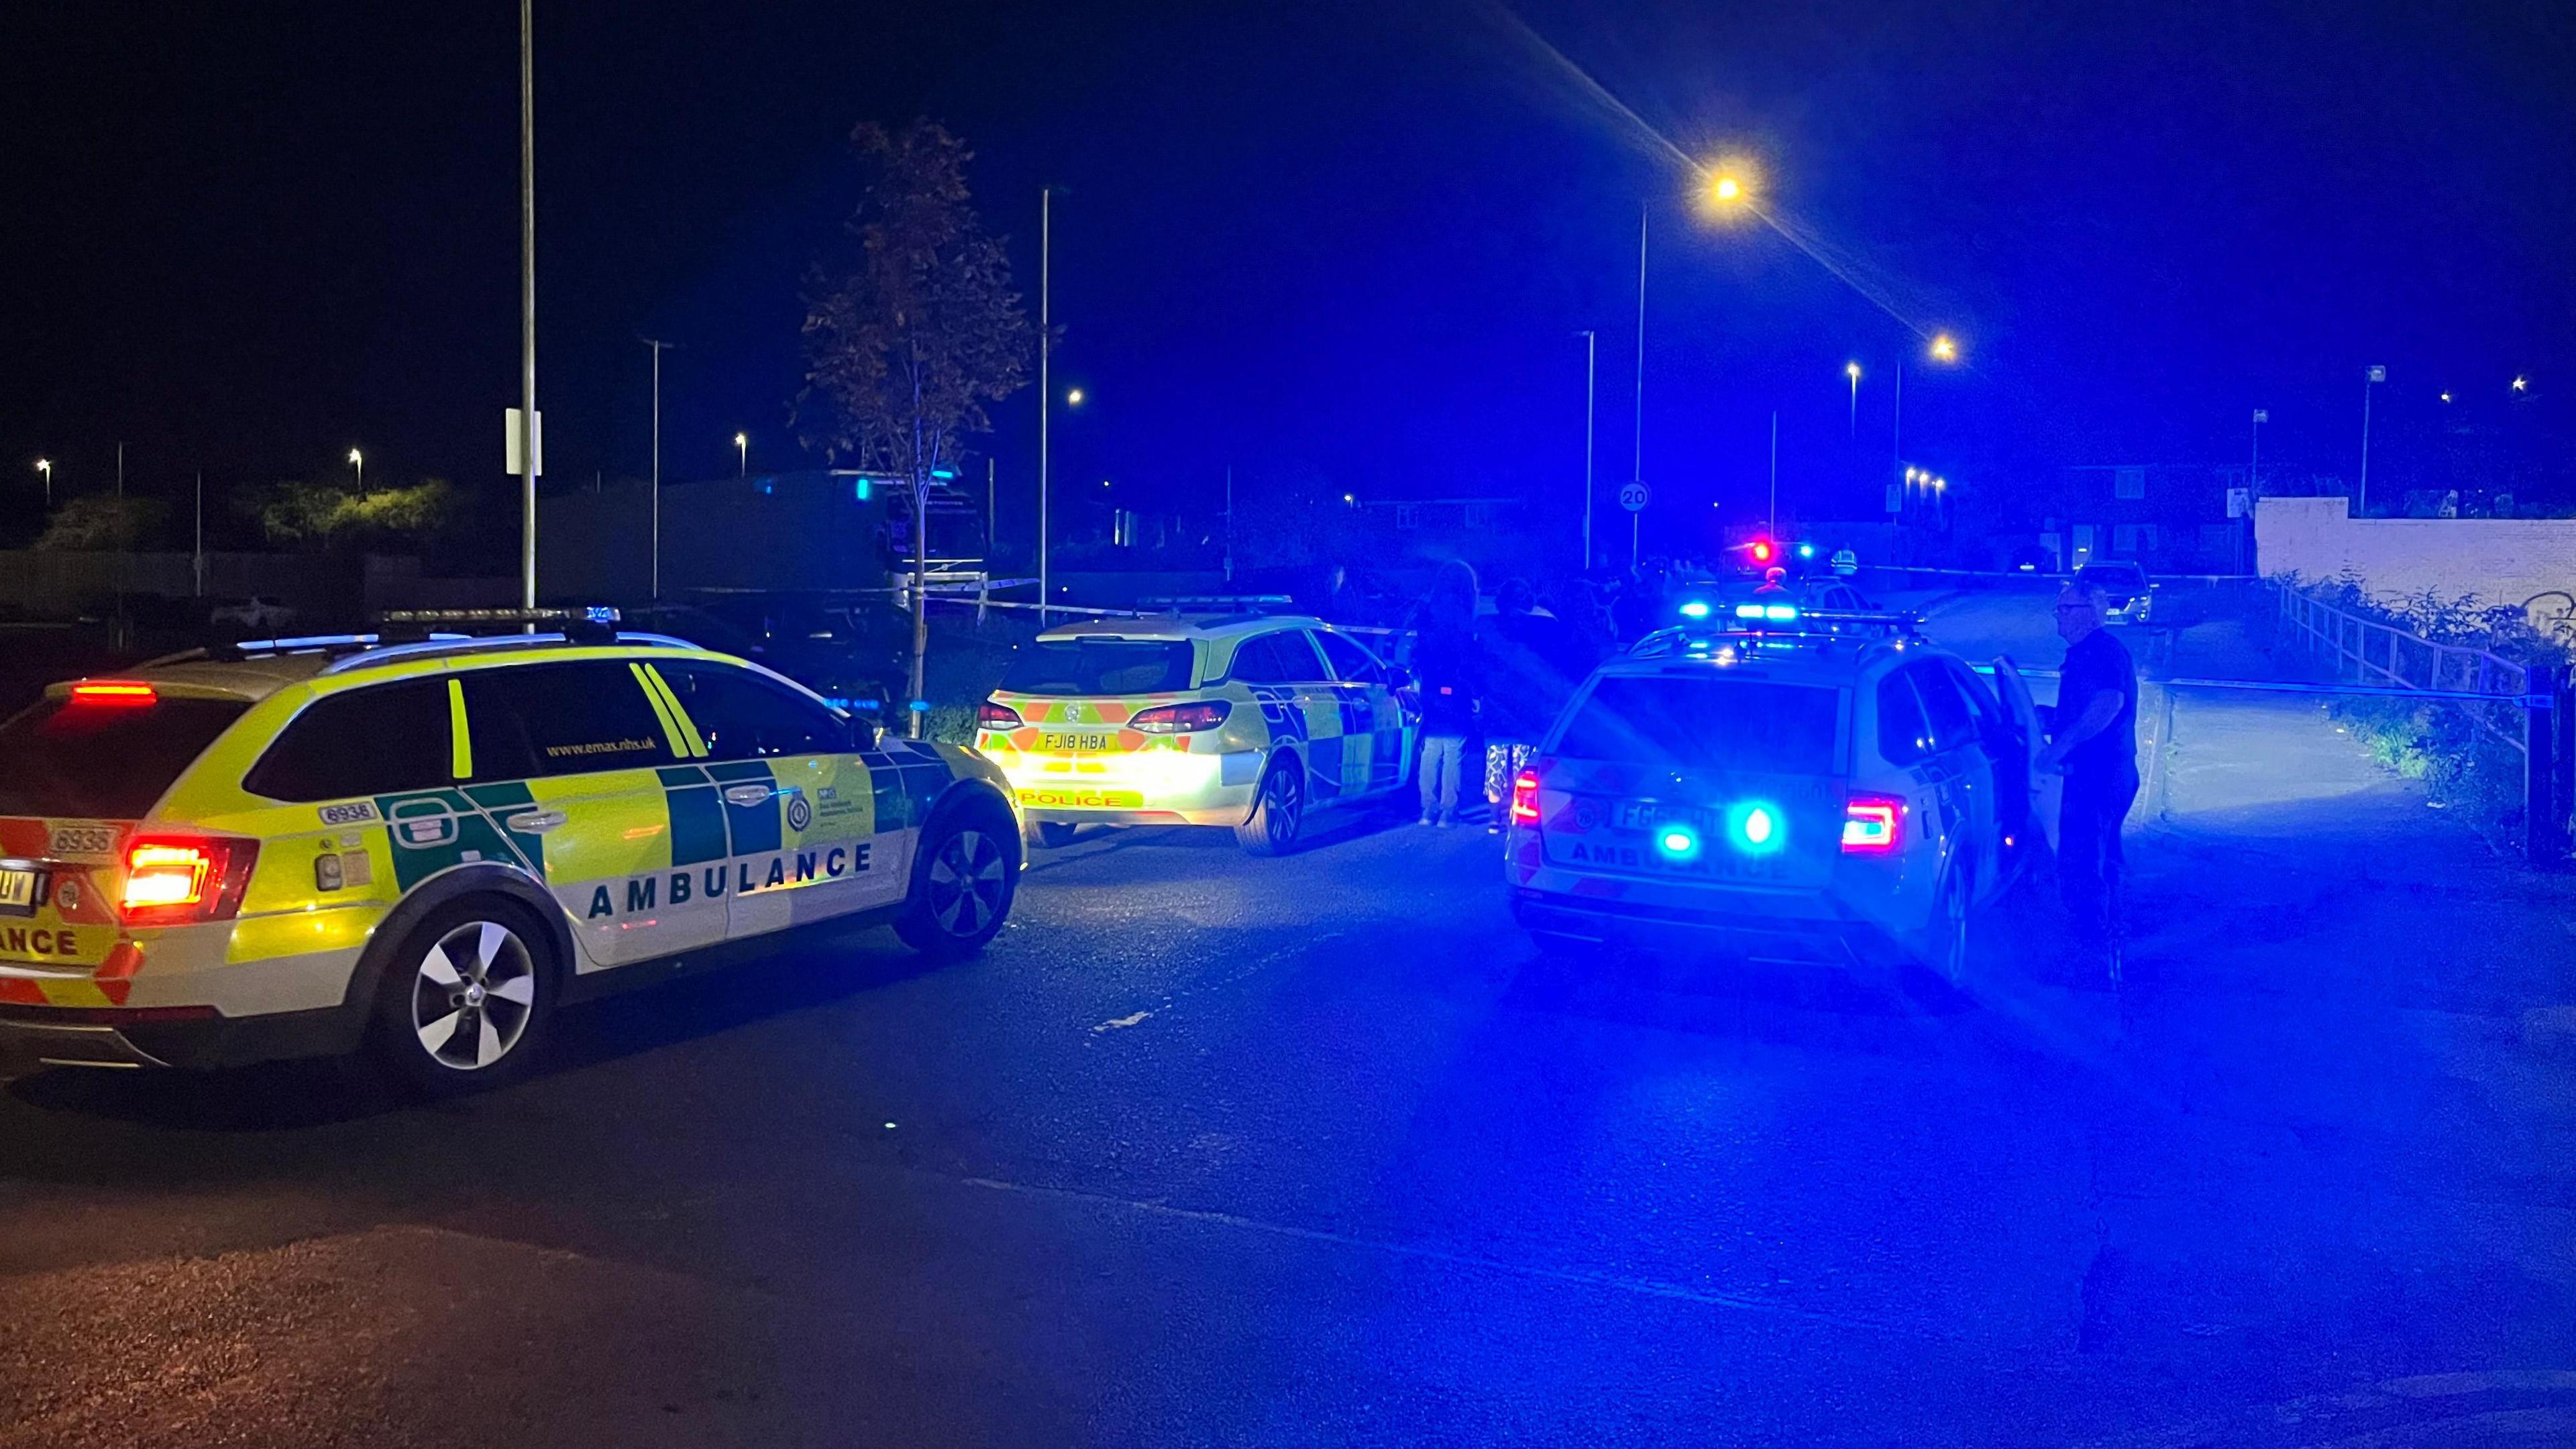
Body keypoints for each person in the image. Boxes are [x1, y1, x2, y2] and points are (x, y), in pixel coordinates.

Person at [2037, 581, 2139, 948]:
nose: (2058, 618)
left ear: (2090, 614)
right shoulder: (2086, 653)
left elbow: (2109, 703)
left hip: (2099, 776)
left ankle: (2091, 949)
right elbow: (2081, 710)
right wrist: (2045, 719)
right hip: (2108, 774)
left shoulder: (2102, 652)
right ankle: (2111, 932)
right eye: (2059, 609)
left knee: (2082, 860)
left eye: (2065, 610)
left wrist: (2059, 747)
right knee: (2103, 856)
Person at [1481, 578, 1585, 833]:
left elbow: (1480, 666)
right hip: (1529, 708)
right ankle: (1519, 815)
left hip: (1497, 707)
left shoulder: (1490, 626)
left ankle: (1494, 818)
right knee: (1523, 764)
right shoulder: (1544, 626)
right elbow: (1559, 662)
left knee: (1495, 761)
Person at [1406, 560, 1482, 826]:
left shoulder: (1428, 610)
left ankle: (1427, 807)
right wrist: (1473, 693)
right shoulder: (1462, 614)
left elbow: (1417, 649)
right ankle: (1449, 810)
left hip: (1430, 685)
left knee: (1431, 747)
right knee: (1453, 748)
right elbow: (1467, 658)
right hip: (1455, 686)